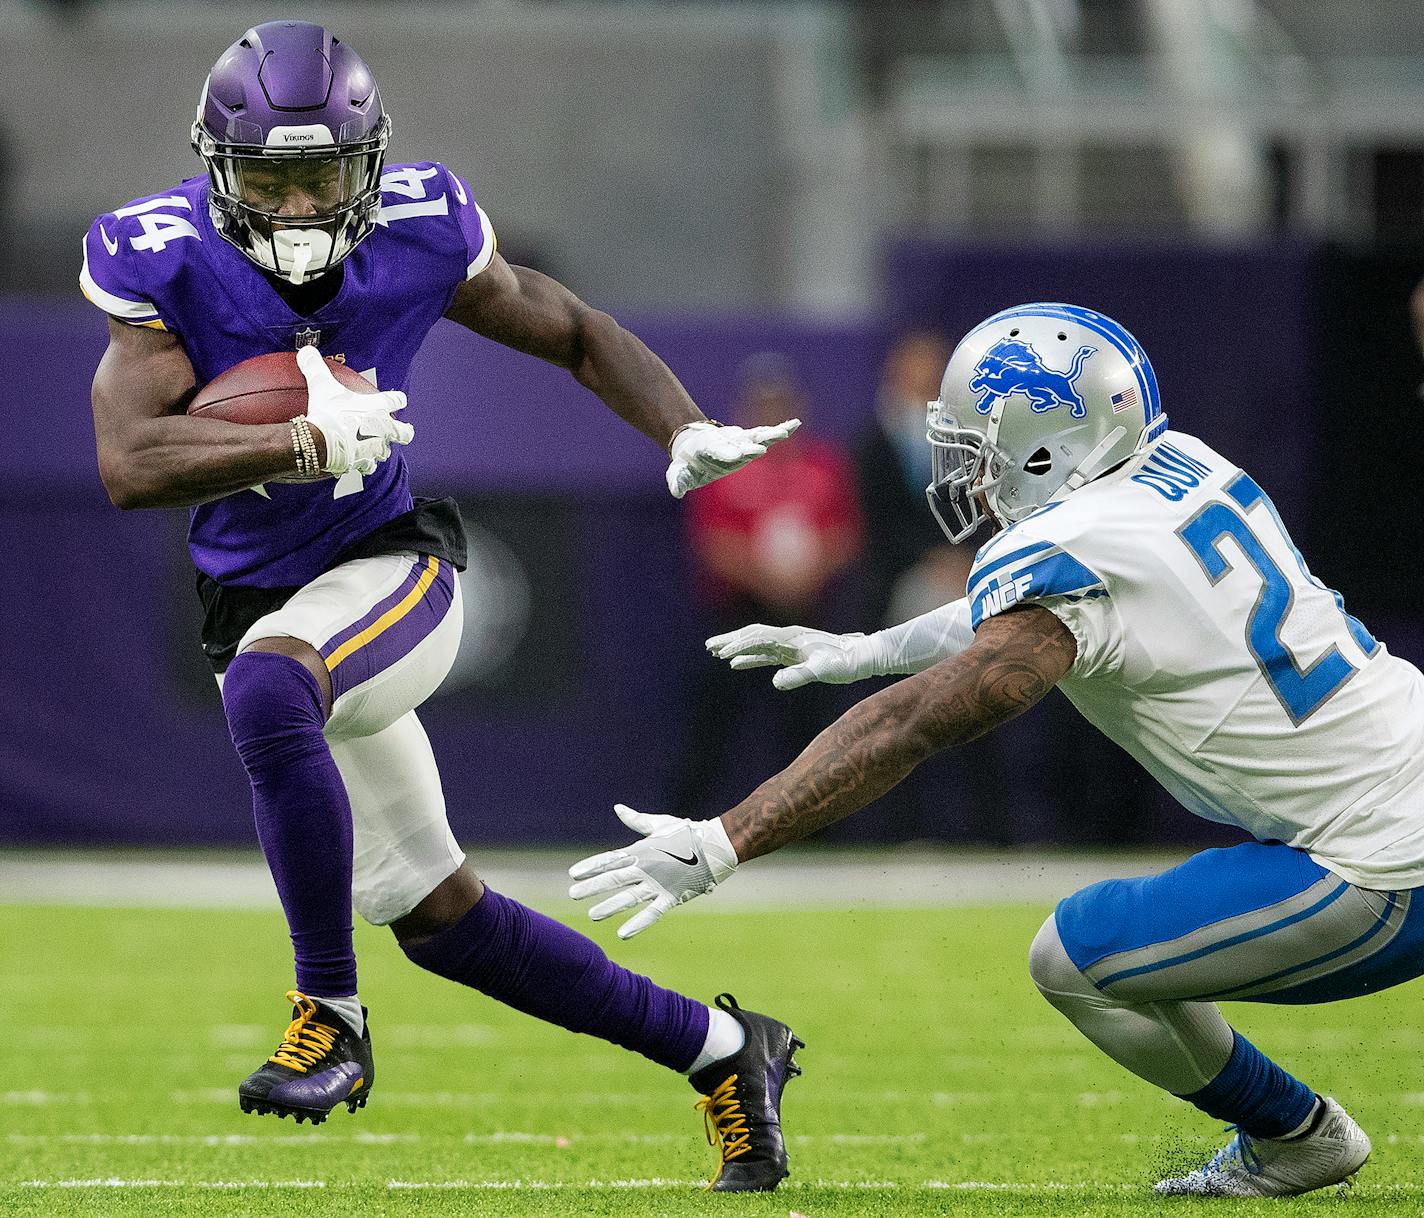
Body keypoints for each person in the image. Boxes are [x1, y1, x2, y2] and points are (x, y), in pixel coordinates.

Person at [81, 21, 802, 1191]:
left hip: (391, 565)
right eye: (271, 177)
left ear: (371, 165)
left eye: (323, 174)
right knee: (441, 917)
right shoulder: (159, 253)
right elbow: (127, 461)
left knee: (275, 688)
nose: (302, 203)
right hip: (255, 594)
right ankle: (727, 1052)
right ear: (219, 170)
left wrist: (680, 423)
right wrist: (300, 439)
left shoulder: (423, 226)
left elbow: (568, 328)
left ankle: (331, 1017)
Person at [569, 302, 1424, 1197]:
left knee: (1077, 958)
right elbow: (1027, 612)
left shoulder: (1071, 552)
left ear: (1051, 445)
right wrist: (865, 649)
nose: (969, 470)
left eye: (979, 444)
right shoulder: (1181, 468)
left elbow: (917, 723)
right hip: (1394, 776)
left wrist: (724, 839)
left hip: (1376, 861)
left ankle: (1298, 1137)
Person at [674, 353, 862, 816]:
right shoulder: (725, 465)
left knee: (813, 724)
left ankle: (818, 824)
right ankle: (686, 814)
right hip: (740, 611)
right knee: (716, 721)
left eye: (781, 404)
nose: (772, 415)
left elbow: (846, 534)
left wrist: (808, 577)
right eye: (763, 404)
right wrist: (765, 580)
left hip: (809, 612)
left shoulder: (823, 465)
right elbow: (712, 543)